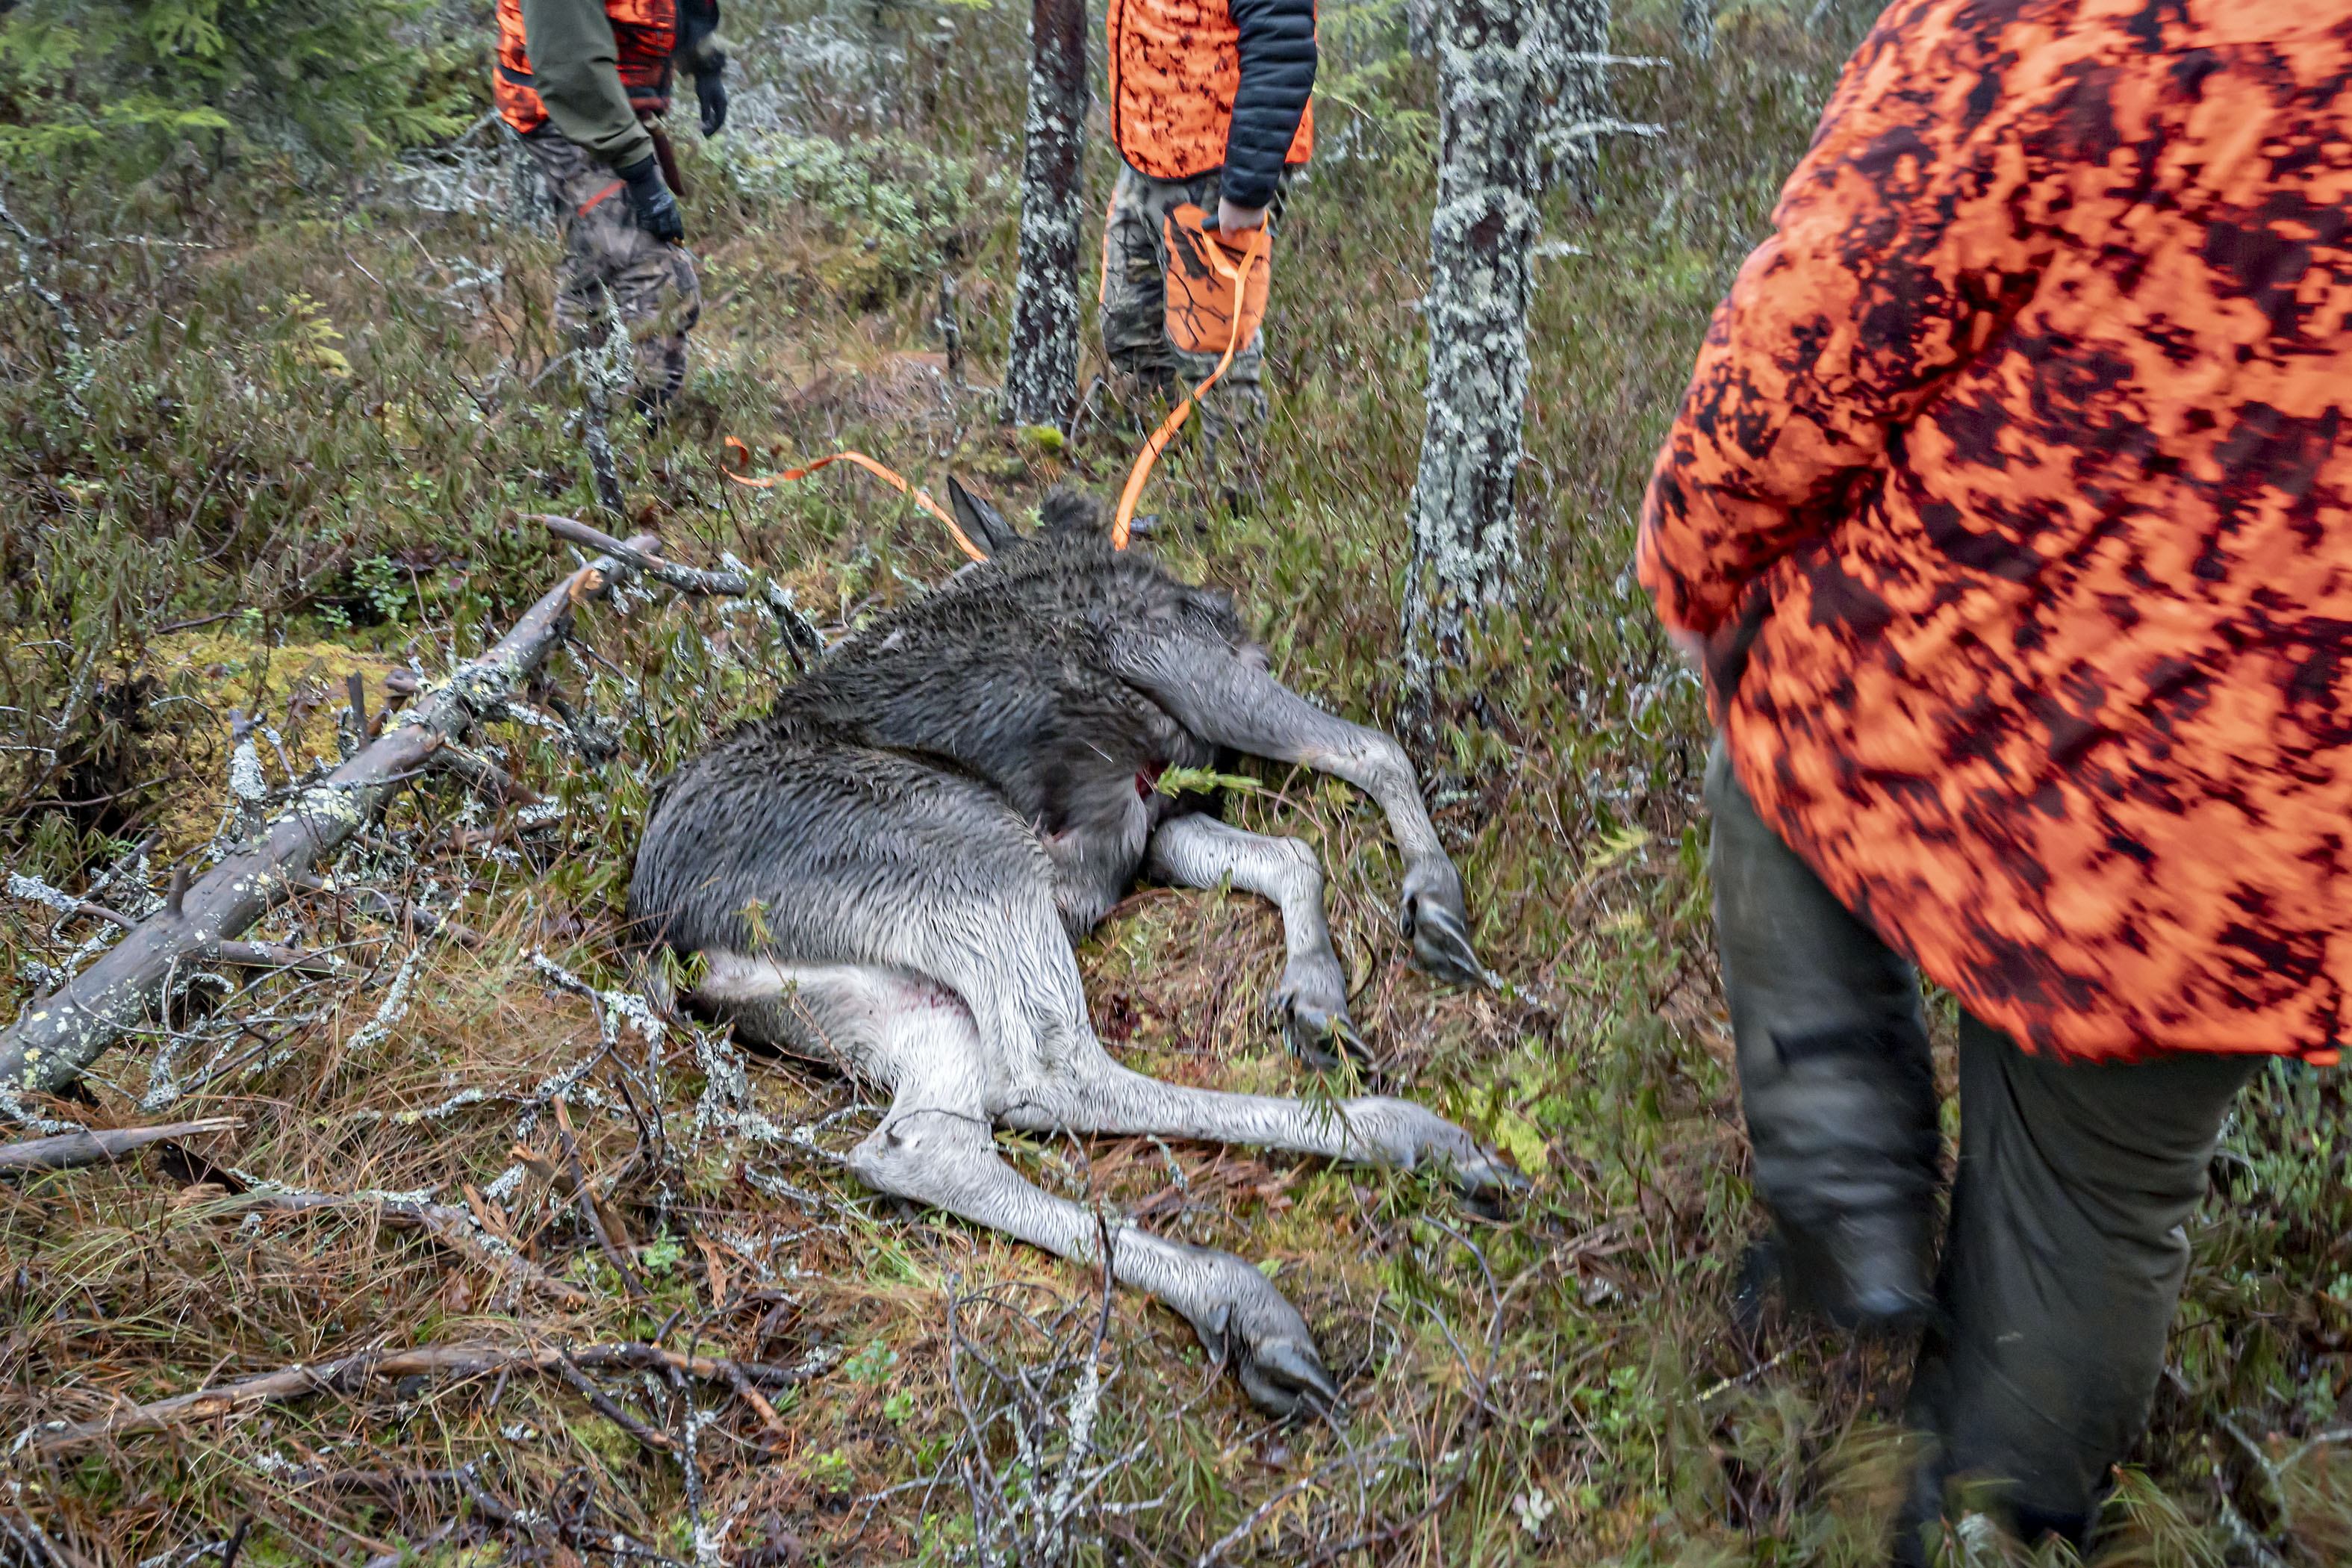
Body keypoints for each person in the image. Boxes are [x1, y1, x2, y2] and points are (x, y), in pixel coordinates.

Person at [1636, 1, 2352, 1561]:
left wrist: (1694, 561)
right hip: (2286, 817)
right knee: (2099, 1203)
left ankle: (1848, 1207)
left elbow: (1820, 325)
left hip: (1999, 702)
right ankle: (1991, 1517)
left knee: (1773, 730)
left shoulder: (2048, 23)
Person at [1099, 0, 1316, 444]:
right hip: (1147, 149)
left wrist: (1246, 192)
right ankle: (1157, 467)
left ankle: (1229, 484)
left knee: (1216, 358)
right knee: (1129, 328)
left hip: (1220, 165)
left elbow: (1282, 44)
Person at [493, 0, 727, 411]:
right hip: (571, 110)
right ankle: (637, 431)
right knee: (657, 274)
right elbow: (570, 68)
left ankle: (582, 416)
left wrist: (703, 59)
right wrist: (637, 170)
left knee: (594, 271)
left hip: (613, 101)